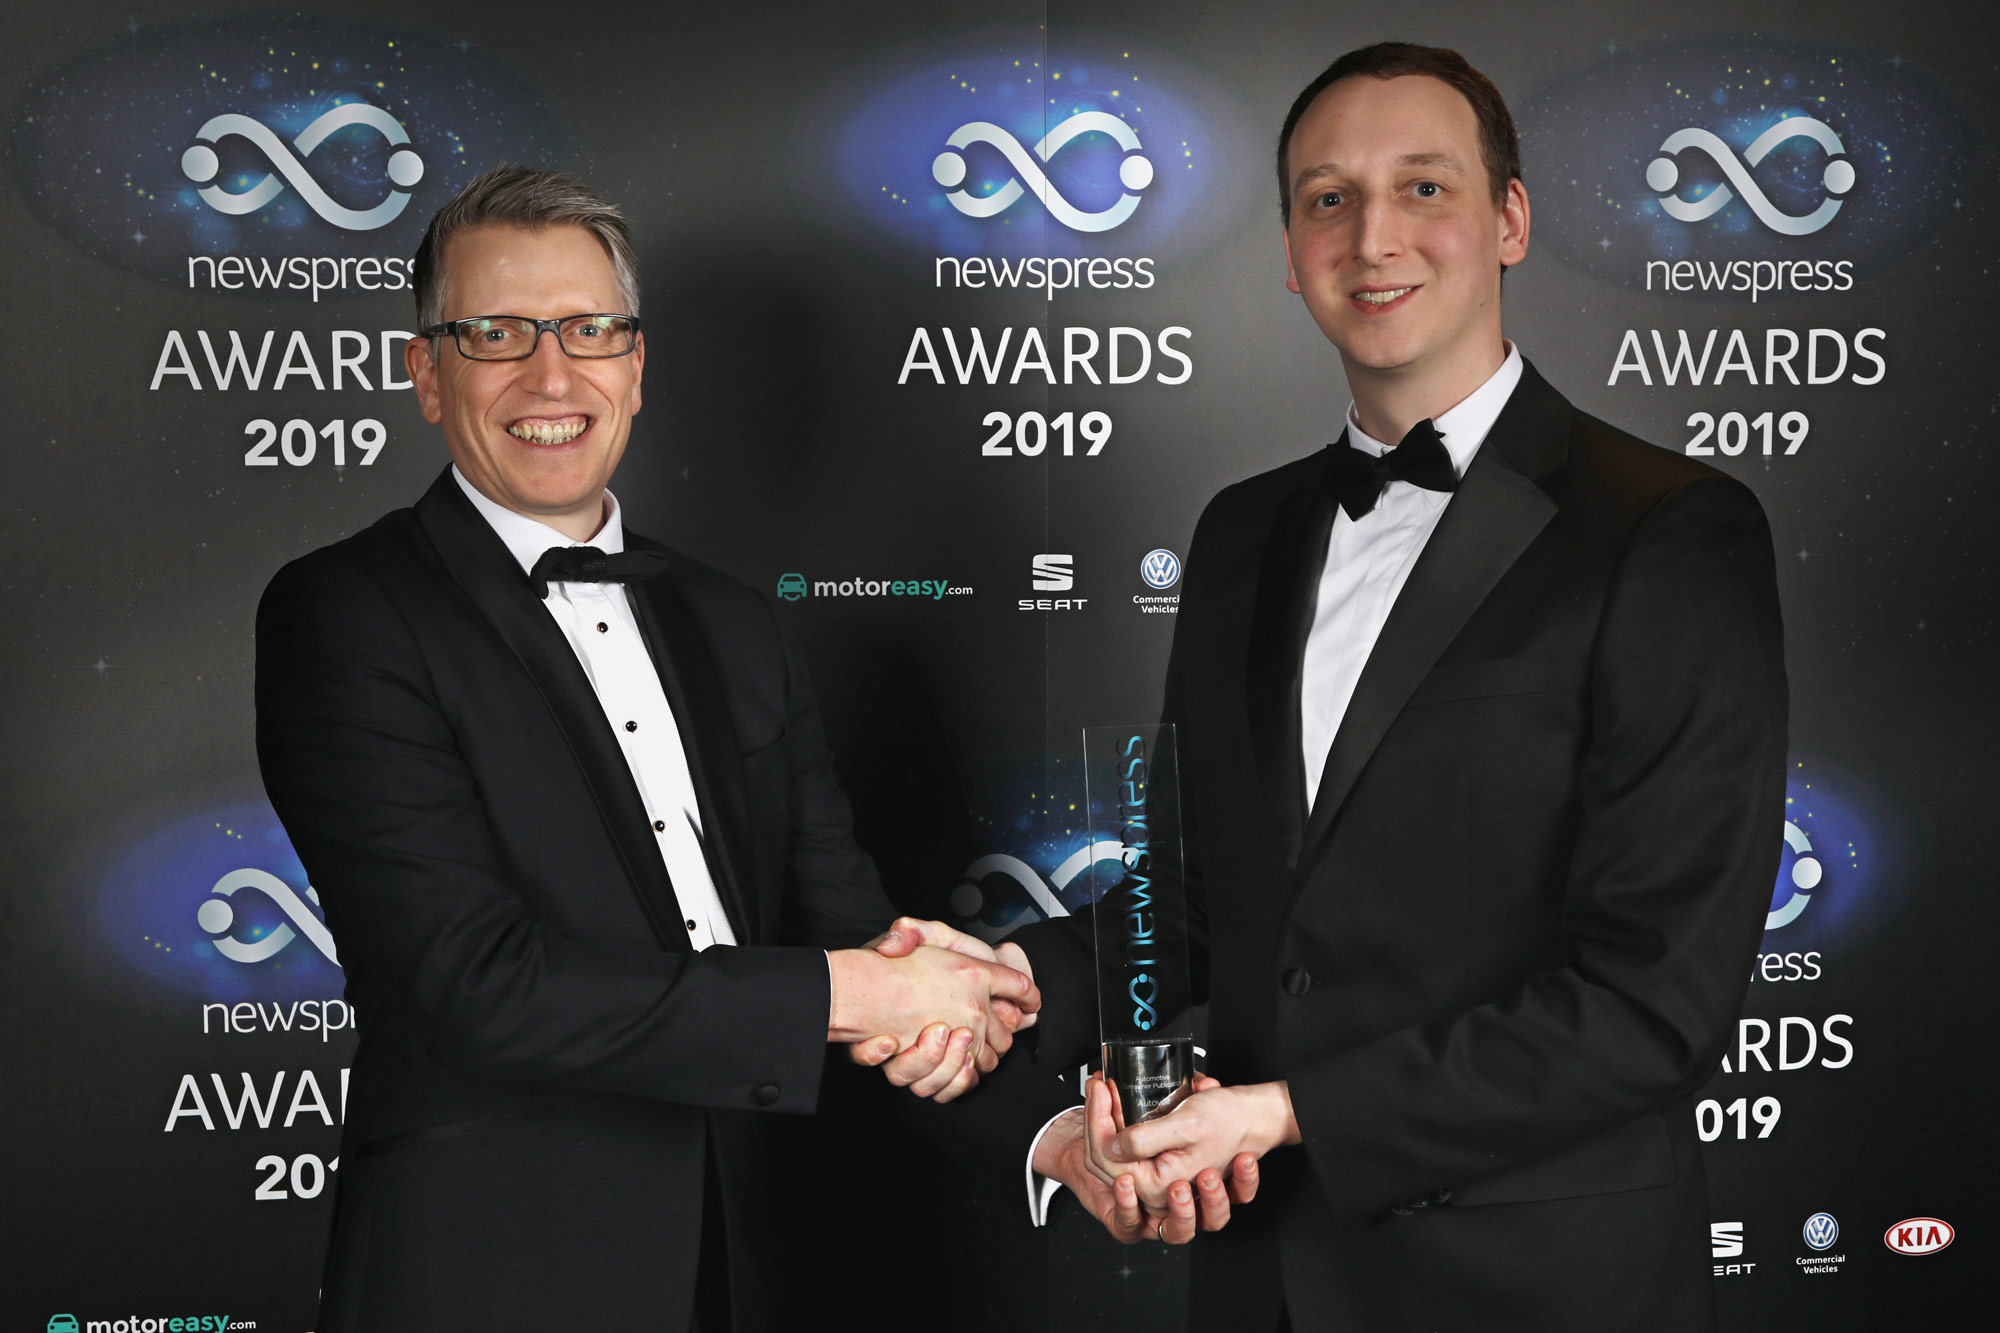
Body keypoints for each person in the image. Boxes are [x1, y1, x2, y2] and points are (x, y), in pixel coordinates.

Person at [992, 42, 1789, 1332]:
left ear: (1508, 219)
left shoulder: (1667, 529)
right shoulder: (1238, 532)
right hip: (1260, 1280)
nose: (1372, 238)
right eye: (1328, 198)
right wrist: (996, 986)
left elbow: (1654, 999)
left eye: (1423, 187)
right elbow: (1196, 898)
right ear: (1288, 247)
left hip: (1534, 1288)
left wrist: (1288, 1113)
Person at [254, 165, 1040, 1333]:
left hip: (764, 1264)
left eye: (589, 329)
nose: (551, 374)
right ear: (425, 373)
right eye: (496, 334)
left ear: (634, 365)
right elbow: (478, 988)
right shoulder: (347, 612)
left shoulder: (734, 623)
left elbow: (846, 921)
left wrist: (999, 1075)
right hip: (496, 1281)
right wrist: (859, 989)